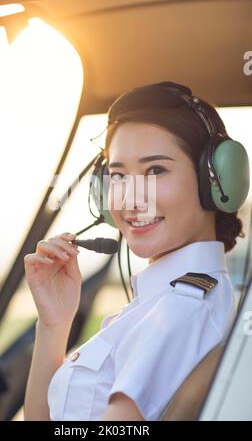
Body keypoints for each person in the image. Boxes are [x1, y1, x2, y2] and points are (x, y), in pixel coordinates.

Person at [23, 81, 249, 421]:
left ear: (215, 181)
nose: (131, 197)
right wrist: (54, 324)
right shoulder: (168, 302)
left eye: (155, 170)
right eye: (117, 175)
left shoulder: (180, 310)